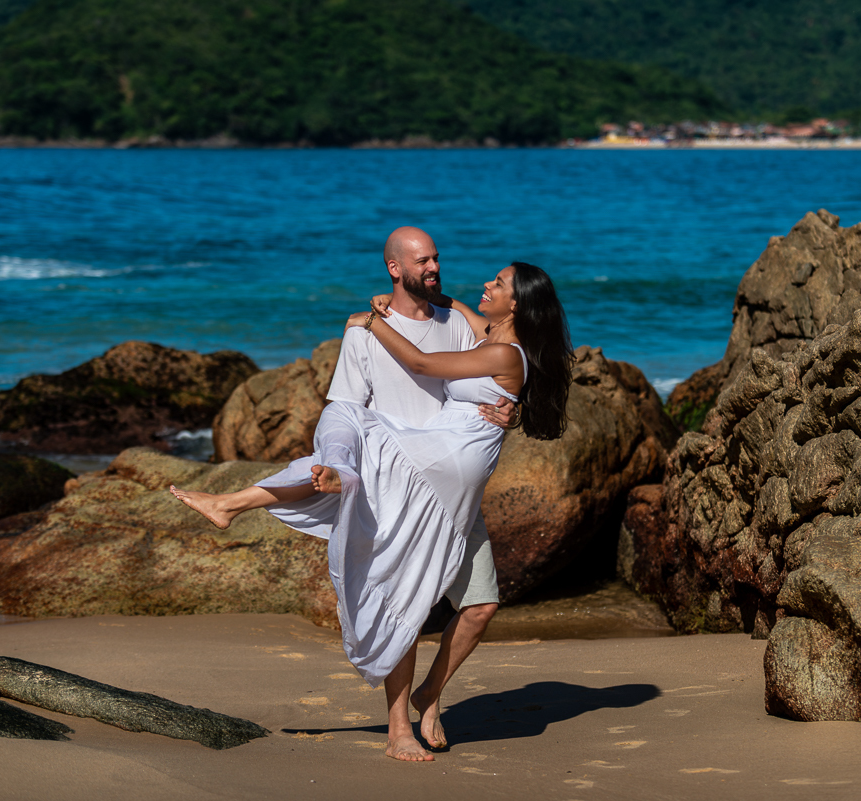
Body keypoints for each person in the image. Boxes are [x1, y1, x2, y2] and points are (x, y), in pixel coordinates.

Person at [171, 229, 573, 762]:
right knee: (356, 450)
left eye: (495, 282)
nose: (445, 270)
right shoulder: (471, 325)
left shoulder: (471, 336)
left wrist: (372, 320)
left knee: (478, 605)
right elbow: (478, 338)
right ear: (395, 268)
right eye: (423, 260)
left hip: (445, 472)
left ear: (516, 301)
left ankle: (429, 694)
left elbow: (450, 366)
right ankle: (399, 724)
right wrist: (387, 319)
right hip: (427, 466)